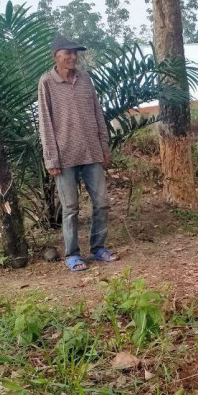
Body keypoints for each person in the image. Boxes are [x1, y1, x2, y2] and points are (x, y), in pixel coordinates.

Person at [37, 35, 119, 272]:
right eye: (68, 52)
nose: (73, 57)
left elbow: (97, 114)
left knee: (102, 203)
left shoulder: (85, 80)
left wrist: (104, 146)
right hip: (64, 157)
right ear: (55, 55)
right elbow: (45, 121)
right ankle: (72, 255)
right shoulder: (47, 83)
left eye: (75, 53)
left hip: (91, 151)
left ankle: (98, 248)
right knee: (70, 208)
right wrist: (51, 157)